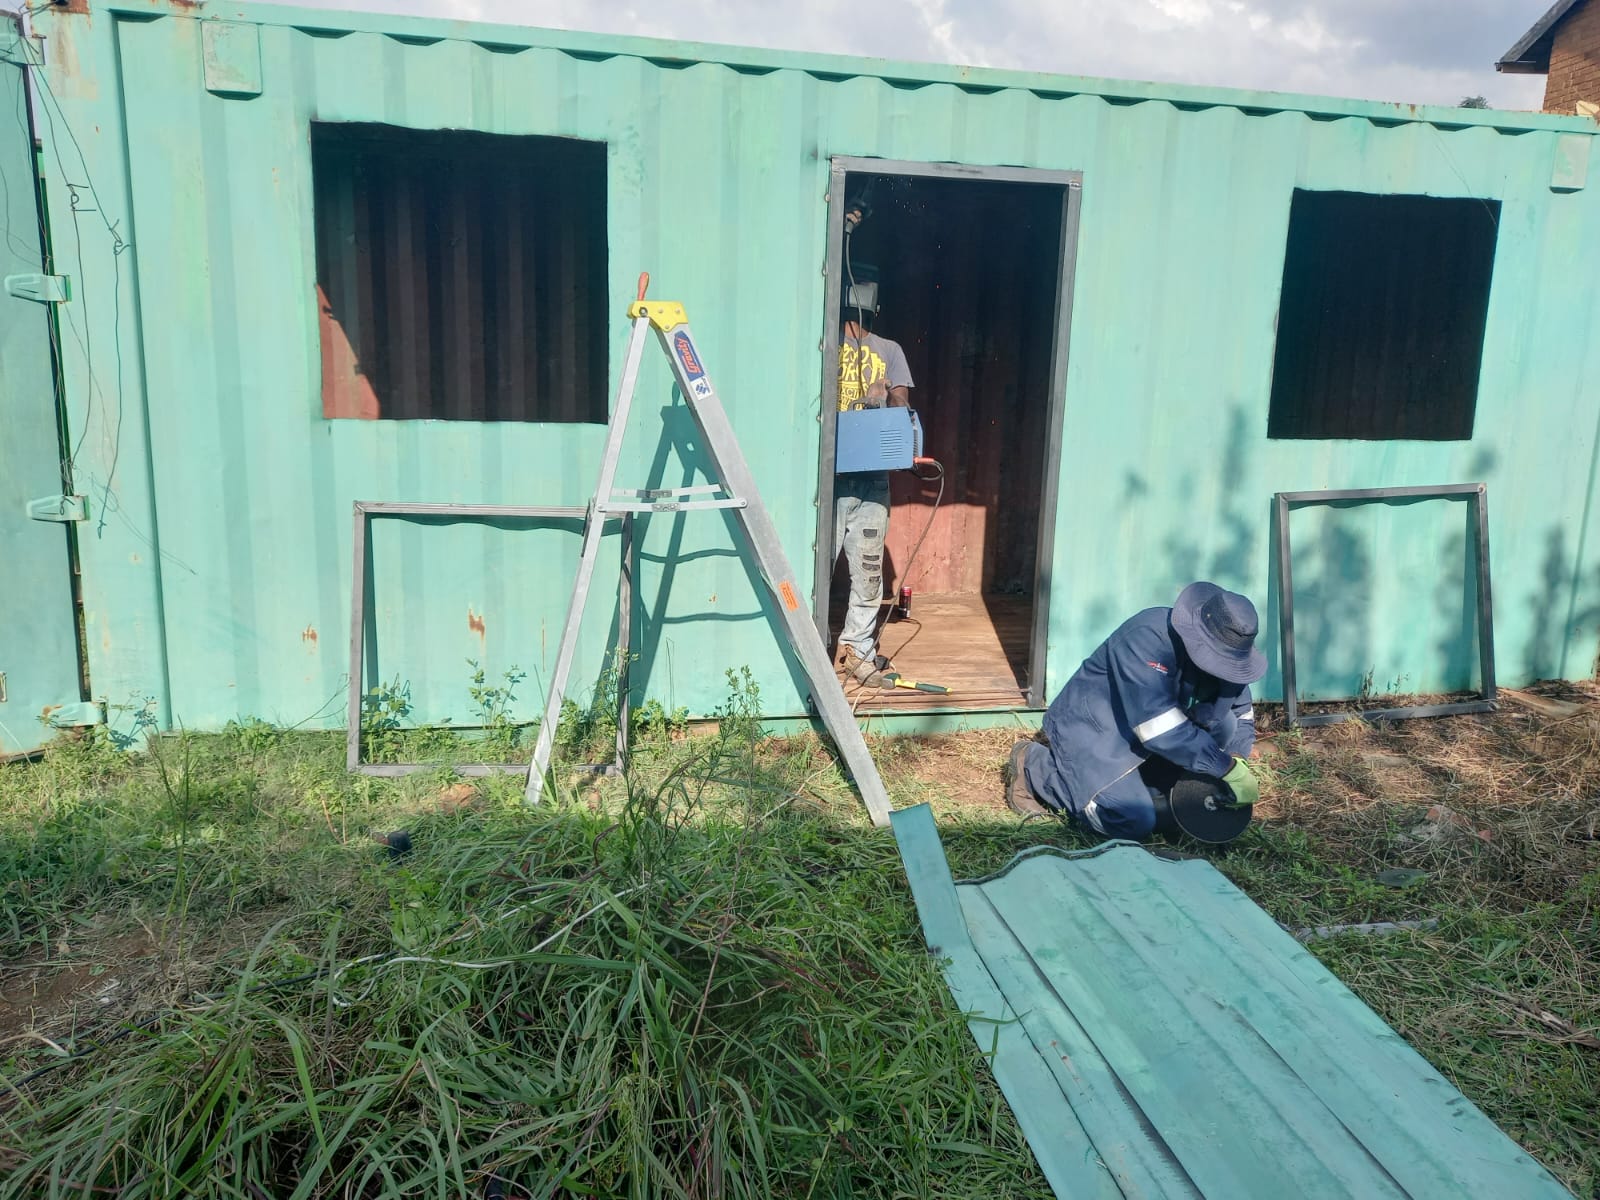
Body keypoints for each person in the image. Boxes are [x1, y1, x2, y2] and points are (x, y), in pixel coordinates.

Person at [1005, 582, 1266, 838]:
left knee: (1226, 723)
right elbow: (1159, 727)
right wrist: (1223, 766)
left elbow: (1241, 713)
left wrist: (1237, 757)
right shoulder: (1148, 636)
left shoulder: (1231, 655)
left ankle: (1149, 785)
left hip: (1154, 737)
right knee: (1131, 820)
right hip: (1097, 728)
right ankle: (1035, 765)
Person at [834, 258, 914, 689]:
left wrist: (884, 401)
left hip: (872, 479)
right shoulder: (825, 342)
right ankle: (810, 649)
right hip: (828, 480)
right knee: (815, 565)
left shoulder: (890, 350)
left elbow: (902, 405)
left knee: (867, 571)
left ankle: (857, 651)